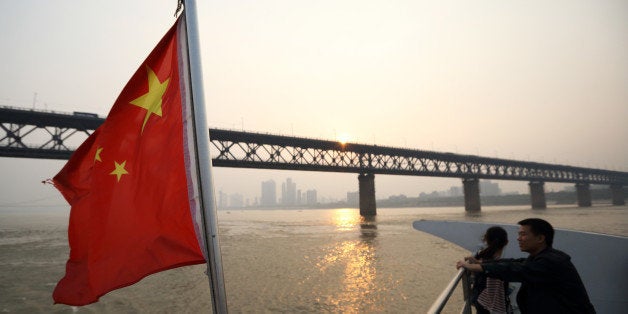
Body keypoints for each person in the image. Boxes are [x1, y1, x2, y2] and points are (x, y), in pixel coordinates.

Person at [456, 218, 596, 314]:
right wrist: (482, 263)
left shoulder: (550, 262)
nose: (518, 238)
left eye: (523, 234)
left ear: (541, 238)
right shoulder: (542, 257)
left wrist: (479, 268)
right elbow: (515, 263)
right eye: (518, 234)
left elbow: (516, 269)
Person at [466, 226, 510, 314]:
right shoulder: (497, 262)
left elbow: (476, 273)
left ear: (486, 240)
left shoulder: (483, 257)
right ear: (506, 242)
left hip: (479, 299)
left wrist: (467, 264)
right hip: (491, 302)